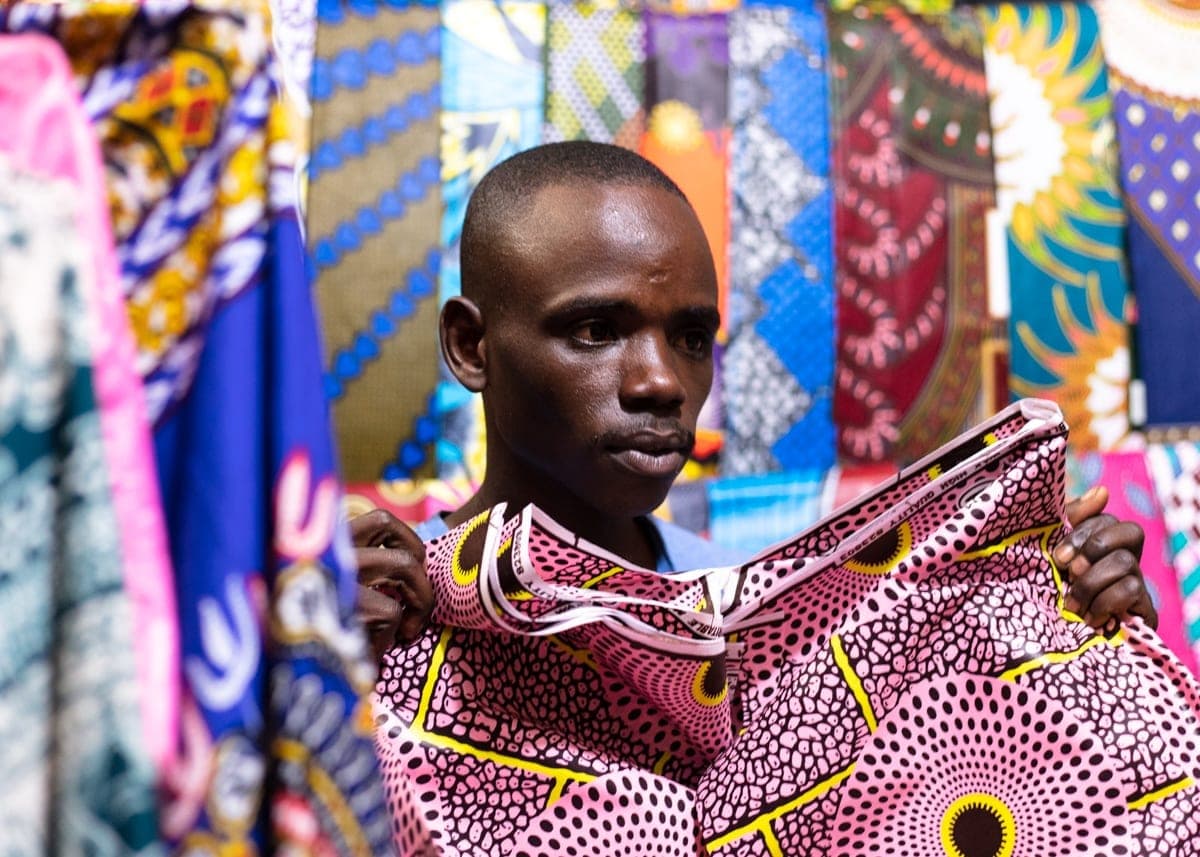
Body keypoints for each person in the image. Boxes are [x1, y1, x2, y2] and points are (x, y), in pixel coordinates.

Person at [350, 140, 1155, 661]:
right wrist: (309, 674)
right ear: (471, 346)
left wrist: (1092, 638)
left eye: (691, 337)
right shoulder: (374, 601)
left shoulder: (760, 624)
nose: (663, 382)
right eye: (596, 330)